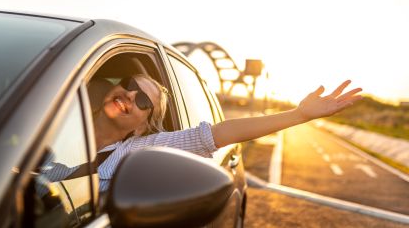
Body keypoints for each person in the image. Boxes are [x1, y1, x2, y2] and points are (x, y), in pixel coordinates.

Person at [92, 74, 363, 191]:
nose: (130, 94)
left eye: (143, 101)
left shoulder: (138, 149)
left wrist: (299, 115)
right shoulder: (60, 109)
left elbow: (218, 134)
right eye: (129, 85)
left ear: (142, 126)